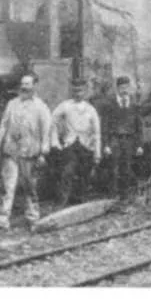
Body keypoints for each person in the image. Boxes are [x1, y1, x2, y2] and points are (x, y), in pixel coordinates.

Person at [0, 74, 52, 230]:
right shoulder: (12, 104)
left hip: (30, 151)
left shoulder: (41, 107)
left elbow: (46, 131)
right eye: (22, 84)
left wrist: (43, 153)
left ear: (35, 86)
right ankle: (1, 218)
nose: (24, 87)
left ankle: (32, 216)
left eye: (28, 84)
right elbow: (4, 124)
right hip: (11, 150)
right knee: (8, 186)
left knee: (29, 186)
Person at [51, 78, 102, 207]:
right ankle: (62, 202)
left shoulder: (90, 109)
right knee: (67, 172)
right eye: (75, 91)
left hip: (86, 146)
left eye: (80, 91)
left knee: (84, 174)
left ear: (85, 92)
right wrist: (55, 140)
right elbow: (52, 122)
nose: (78, 94)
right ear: (72, 92)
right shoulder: (65, 105)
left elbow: (97, 132)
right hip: (70, 145)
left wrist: (97, 152)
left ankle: (80, 202)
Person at [100, 76, 144, 206]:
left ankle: (124, 196)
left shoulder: (134, 105)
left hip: (129, 140)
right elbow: (105, 125)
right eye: (122, 87)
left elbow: (139, 126)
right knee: (114, 168)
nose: (124, 90)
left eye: (127, 87)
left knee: (127, 168)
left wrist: (139, 145)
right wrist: (106, 144)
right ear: (117, 88)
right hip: (115, 139)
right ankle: (112, 196)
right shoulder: (110, 104)